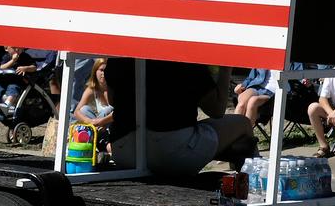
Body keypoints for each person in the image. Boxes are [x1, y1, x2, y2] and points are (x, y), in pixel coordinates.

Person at [105, 58, 256, 176]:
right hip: (172, 154)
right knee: (242, 123)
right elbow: (216, 110)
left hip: (123, 150)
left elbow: (111, 100)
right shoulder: (186, 60)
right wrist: (225, 68)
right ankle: (255, 187)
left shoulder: (119, 57)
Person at [72, 58, 114, 159]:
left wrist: (100, 121)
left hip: (110, 128)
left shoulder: (113, 88)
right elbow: (76, 112)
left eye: (106, 70)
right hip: (97, 128)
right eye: (101, 70)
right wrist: (91, 122)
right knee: (84, 109)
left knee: (107, 110)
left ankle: (95, 145)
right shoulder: (92, 89)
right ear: (95, 72)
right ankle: (94, 143)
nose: (103, 74)